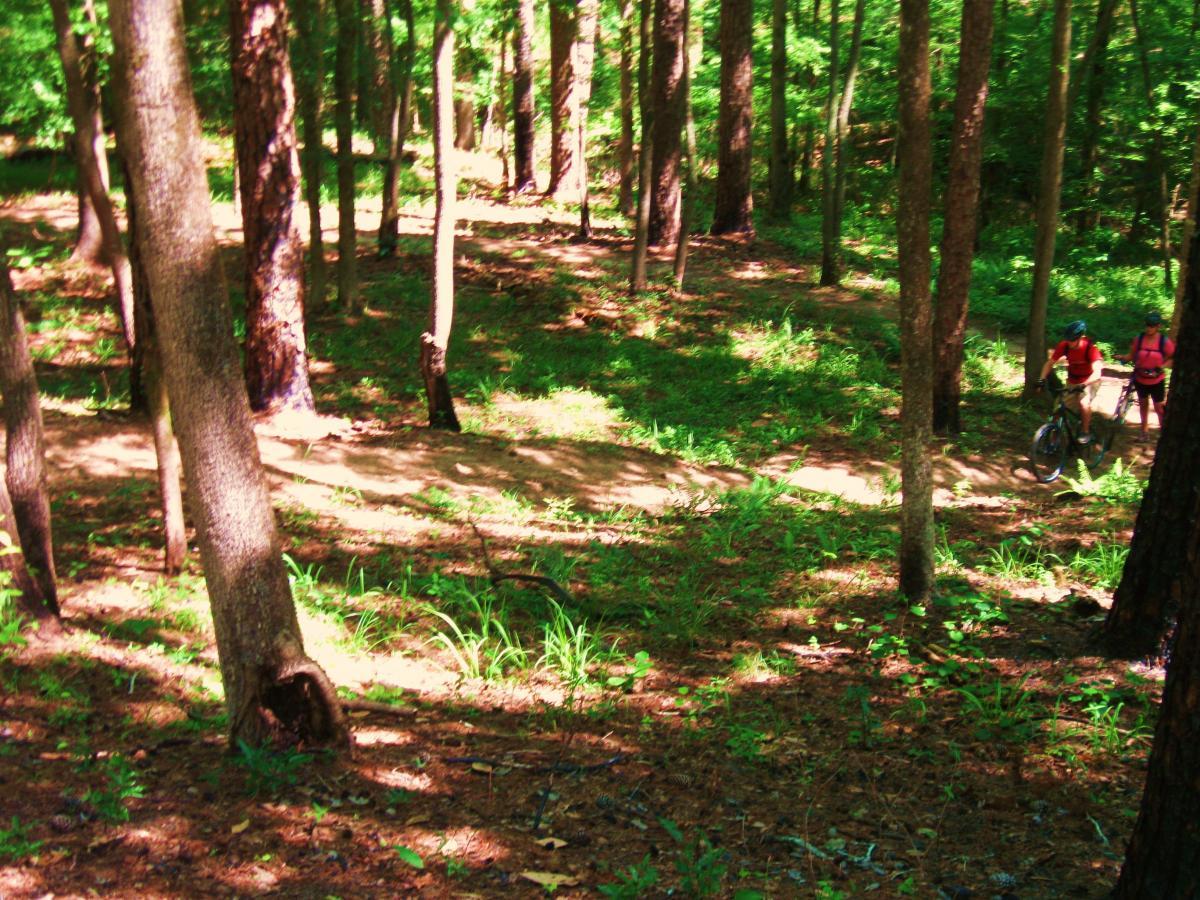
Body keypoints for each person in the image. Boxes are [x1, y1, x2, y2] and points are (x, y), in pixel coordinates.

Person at [1039, 319, 1103, 442]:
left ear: (1080, 337)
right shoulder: (1064, 346)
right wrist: (1041, 379)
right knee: (1058, 408)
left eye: (1072, 340)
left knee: (1083, 402)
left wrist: (1084, 384)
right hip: (1072, 380)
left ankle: (1085, 432)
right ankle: (1053, 438)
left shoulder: (1090, 349)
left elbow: (1098, 373)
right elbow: (1050, 363)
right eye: (1067, 339)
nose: (1069, 342)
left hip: (1090, 381)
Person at [1115, 311, 1174, 442]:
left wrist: (1161, 367)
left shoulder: (1164, 342)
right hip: (1140, 377)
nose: (1149, 328)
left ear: (1158, 326)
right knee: (1143, 404)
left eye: (1152, 326)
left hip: (1156, 380)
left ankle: (1164, 435)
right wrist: (1123, 358)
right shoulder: (1139, 339)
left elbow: (1173, 358)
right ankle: (1144, 432)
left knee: (1159, 407)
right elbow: (1132, 355)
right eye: (1147, 325)